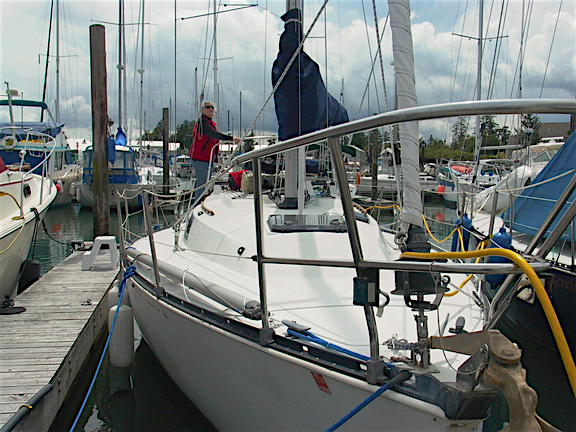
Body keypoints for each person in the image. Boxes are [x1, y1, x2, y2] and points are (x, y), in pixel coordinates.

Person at [189, 101, 240, 199]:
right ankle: (197, 203)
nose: (211, 109)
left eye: (212, 107)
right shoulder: (202, 123)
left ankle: (201, 200)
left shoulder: (210, 123)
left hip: (208, 158)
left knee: (205, 182)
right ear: (203, 110)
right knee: (202, 183)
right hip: (200, 158)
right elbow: (213, 134)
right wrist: (232, 139)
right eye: (208, 107)